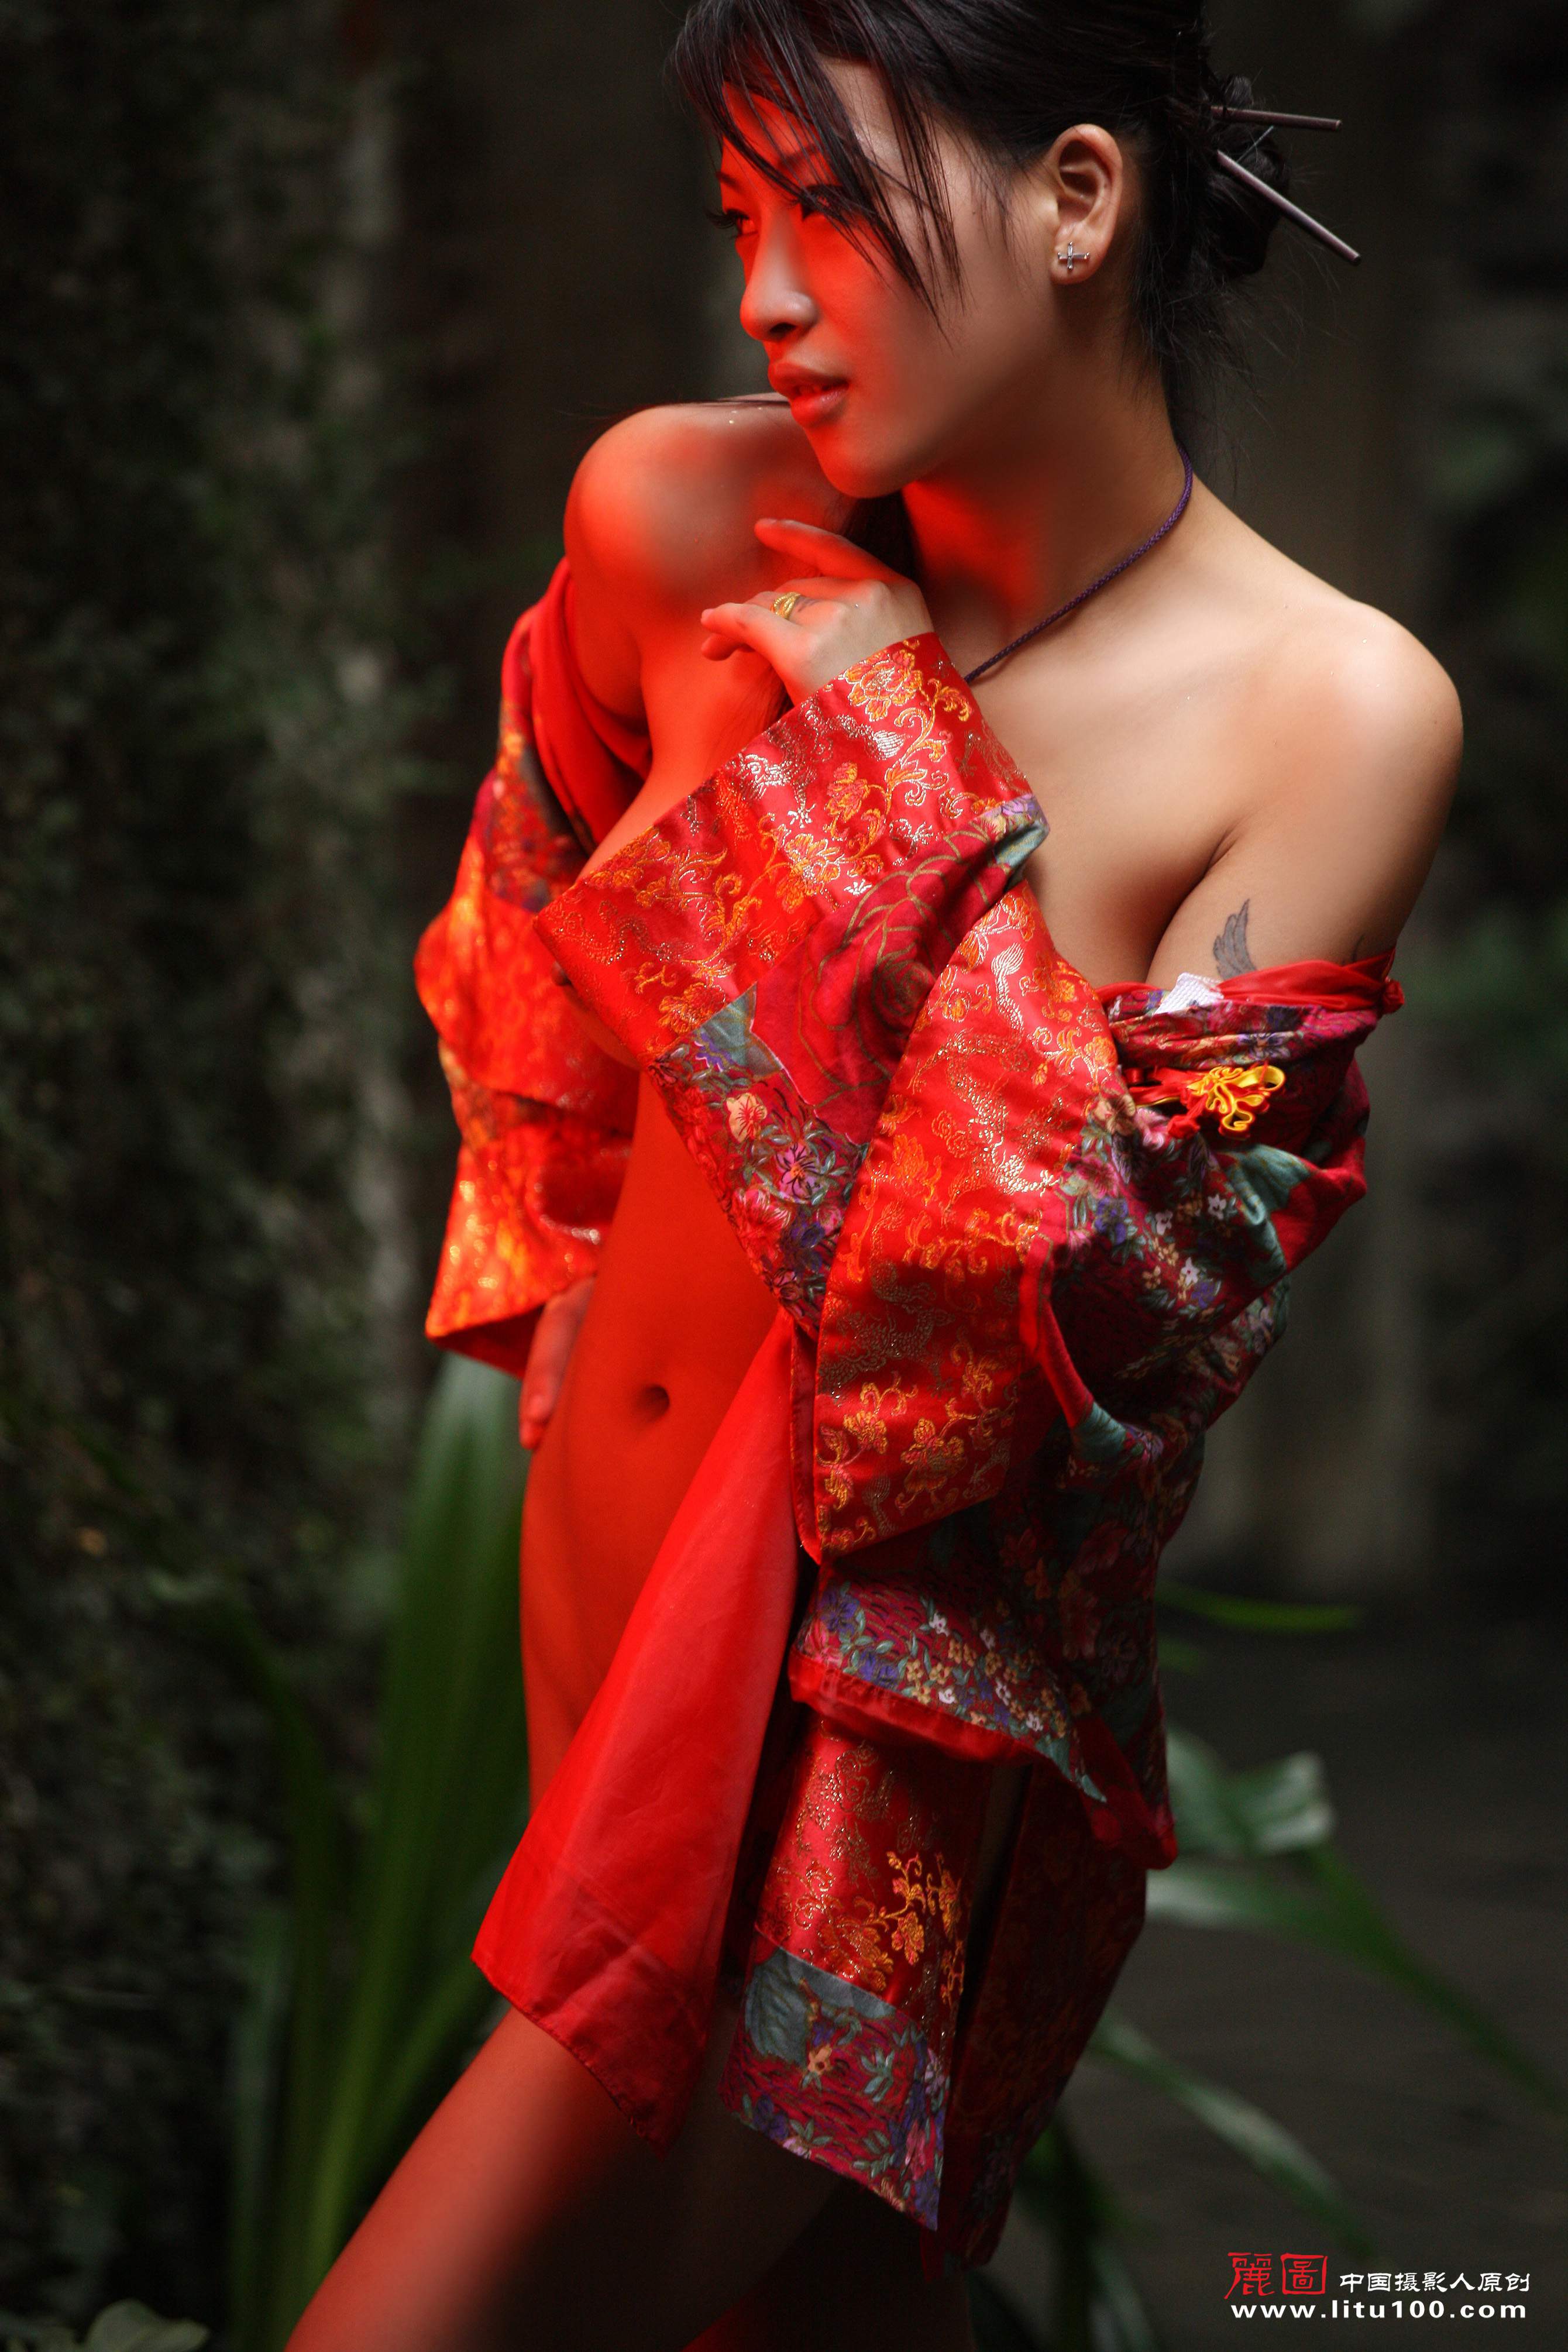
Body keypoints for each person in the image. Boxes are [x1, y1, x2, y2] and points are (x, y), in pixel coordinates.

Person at [288, 4, 1459, 2347]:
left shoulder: (1328, 714)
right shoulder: (671, 520)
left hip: (857, 1727)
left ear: (1079, 198)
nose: (764, 294)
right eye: (740, 214)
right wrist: (571, 1270)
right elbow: (534, 913)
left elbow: (1137, 1260)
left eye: (827, 206)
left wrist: (890, 761)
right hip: (590, 1616)